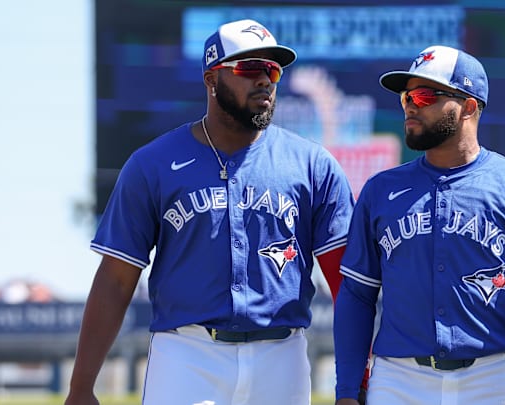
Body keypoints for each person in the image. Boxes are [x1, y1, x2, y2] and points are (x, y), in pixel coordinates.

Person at [64, 19, 354, 405]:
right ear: (212, 79)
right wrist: (81, 386)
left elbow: (346, 283)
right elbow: (116, 279)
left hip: (281, 355)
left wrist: (354, 381)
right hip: (186, 356)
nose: (265, 81)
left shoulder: (313, 164)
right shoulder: (152, 164)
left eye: (273, 70)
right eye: (250, 69)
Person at [333, 45, 505, 405]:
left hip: (491, 377)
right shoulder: (379, 191)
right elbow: (357, 295)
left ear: (468, 107)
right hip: (398, 379)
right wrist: (346, 390)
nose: (411, 105)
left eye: (425, 95)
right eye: (406, 97)